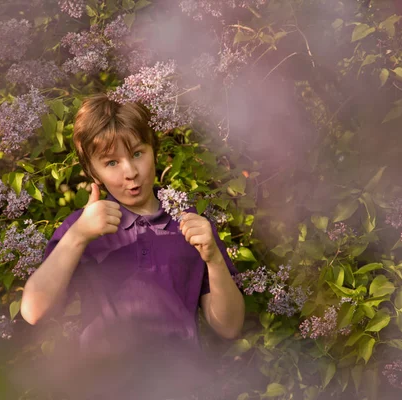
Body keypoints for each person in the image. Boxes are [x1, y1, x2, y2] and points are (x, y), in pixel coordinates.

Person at [20, 93, 245, 400]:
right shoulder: (82, 229)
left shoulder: (191, 224)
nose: (130, 171)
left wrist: (214, 259)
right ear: (92, 171)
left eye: (138, 153)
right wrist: (78, 236)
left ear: (155, 150)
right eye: (111, 162)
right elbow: (33, 311)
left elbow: (229, 327)